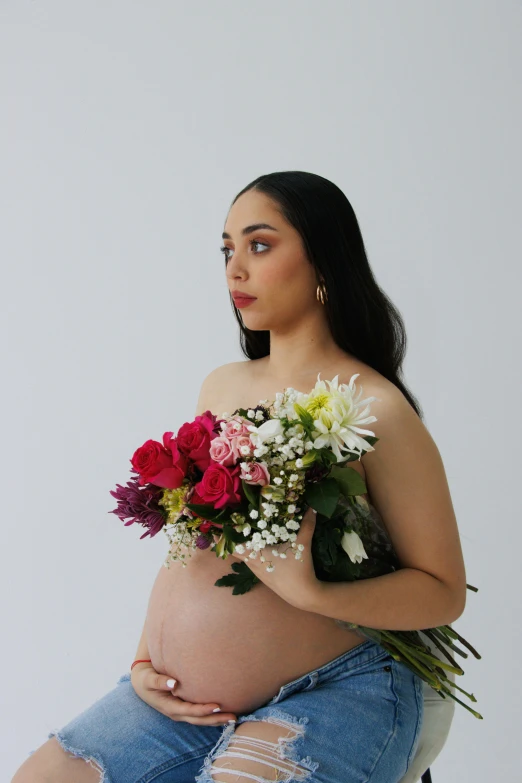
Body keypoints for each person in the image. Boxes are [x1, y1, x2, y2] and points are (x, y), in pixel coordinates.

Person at [12, 171, 466, 783]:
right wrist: (147, 656)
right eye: (227, 250)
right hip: (184, 699)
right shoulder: (223, 385)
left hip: (339, 688)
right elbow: (191, 538)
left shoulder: (374, 407)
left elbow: (442, 590)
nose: (234, 270)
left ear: (324, 261)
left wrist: (313, 594)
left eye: (259, 245)